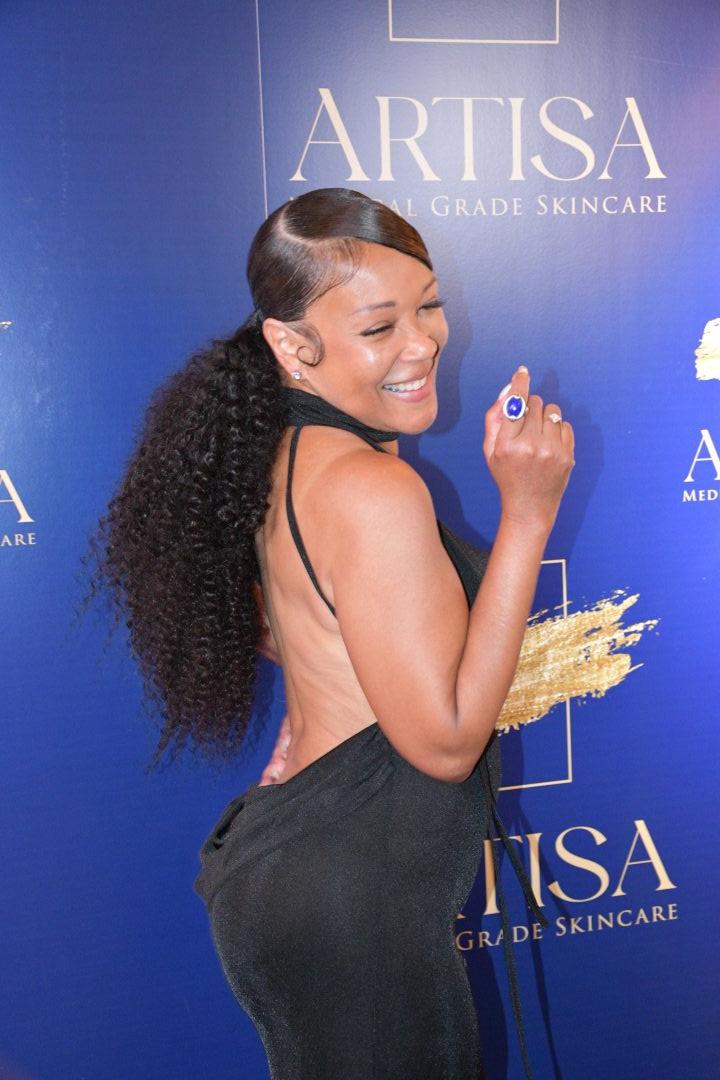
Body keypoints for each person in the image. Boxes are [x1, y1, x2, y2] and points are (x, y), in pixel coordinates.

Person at [84, 187, 574, 1079]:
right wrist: (528, 513)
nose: (421, 343)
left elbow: (302, 627)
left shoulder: (286, 452)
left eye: (429, 306)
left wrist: (318, 713)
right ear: (291, 343)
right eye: (379, 327)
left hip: (312, 878)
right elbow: (446, 743)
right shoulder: (371, 486)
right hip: (353, 909)